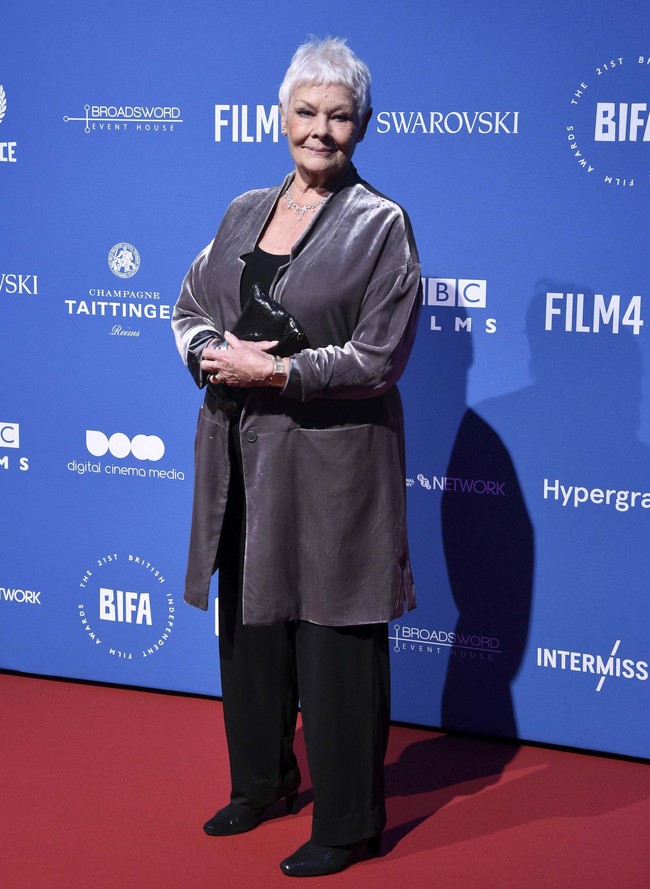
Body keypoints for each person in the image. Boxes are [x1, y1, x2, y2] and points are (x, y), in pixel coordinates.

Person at [172, 36, 421, 877]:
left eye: (339, 116)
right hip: (242, 454)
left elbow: (379, 357)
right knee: (249, 628)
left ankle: (350, 821)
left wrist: (273, 367)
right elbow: (190, 304)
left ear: (363, 124)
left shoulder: (381, 224)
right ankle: (263, 783)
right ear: (282, 117)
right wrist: (212, 349)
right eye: (306, 113)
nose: (321, 131)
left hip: (333, 463)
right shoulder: (245, 208)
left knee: (335, 638)